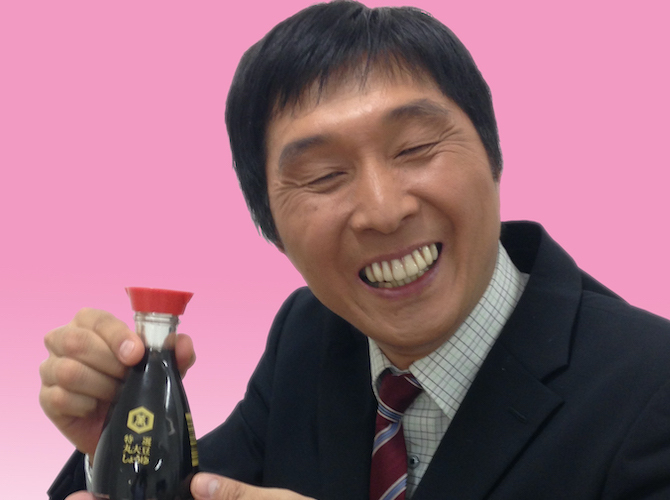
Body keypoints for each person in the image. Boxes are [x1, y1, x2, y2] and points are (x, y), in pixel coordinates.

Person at [40, 2, 670, 499]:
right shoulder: (310, 333)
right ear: (270, 223)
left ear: (492, 153)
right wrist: (118, 442)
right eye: (323, 177)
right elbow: (194, 489)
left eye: (415, 148)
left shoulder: (653, 393)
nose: (383, 209)